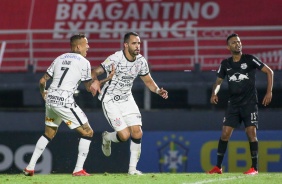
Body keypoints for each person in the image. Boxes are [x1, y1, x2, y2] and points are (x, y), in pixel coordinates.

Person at [23, 34, 101, 176]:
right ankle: (78, 169)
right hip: (64, 100)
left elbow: (42, 81)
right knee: (88, 132)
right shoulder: (84, 62)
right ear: (78, 46)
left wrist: (43, 93)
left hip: (51, 99)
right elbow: (90, 88)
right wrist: (103, 80)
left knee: (48, 133)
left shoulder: (59, 58)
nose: (88, 47)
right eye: (86, 44)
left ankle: (30, 167)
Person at [91, 31, 168, 175]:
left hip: (127, 99)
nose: (138, 46)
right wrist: (95, 81)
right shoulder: (115, 58)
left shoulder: (141, 61)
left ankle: (132, 170)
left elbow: (148, 81)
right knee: (124, 136)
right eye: (134, 43)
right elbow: (94, 71)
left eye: (139, 43)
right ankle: (107, 137)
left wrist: (158, 91)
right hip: (110, 100)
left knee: (137, 132)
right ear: (126, 45)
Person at [207, 33, 273, 175]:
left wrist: (269, 92)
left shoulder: (249, 59)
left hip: (249, 104)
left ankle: (254, 168)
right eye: (234, 42)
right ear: (228, 46)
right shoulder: (225, 64)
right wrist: (215, 92)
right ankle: (218, 167)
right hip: (233, 104)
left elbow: (269, 72)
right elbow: (218, 82)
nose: (238, 44)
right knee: (225, 134)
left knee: (251, 133)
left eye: (239, 41)